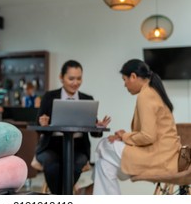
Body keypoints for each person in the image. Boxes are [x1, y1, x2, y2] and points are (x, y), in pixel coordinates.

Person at [93, 59, 181, 195]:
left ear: (133, 77)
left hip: (160, 158)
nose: (124, 85)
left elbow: (148, 136)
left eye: (124, 80)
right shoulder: (152, 91)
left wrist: (124, 136)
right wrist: (124, 137)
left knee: (104, 145)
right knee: (104, 165)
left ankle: (90, 193)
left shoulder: (145, 96)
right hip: (164, 155)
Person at [35, 60, 110, 194]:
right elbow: (37, 127)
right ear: (61, 77)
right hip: (51, 146)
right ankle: (64, 197)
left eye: (79, 78)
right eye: (71, 78)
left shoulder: (87, 99)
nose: (75, 83)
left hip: (78, 147)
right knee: (53, 165)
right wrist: (43, 124)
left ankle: (60, 199)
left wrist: (98, 127)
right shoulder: (49, 97)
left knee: (75, 165)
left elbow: (94, 133)